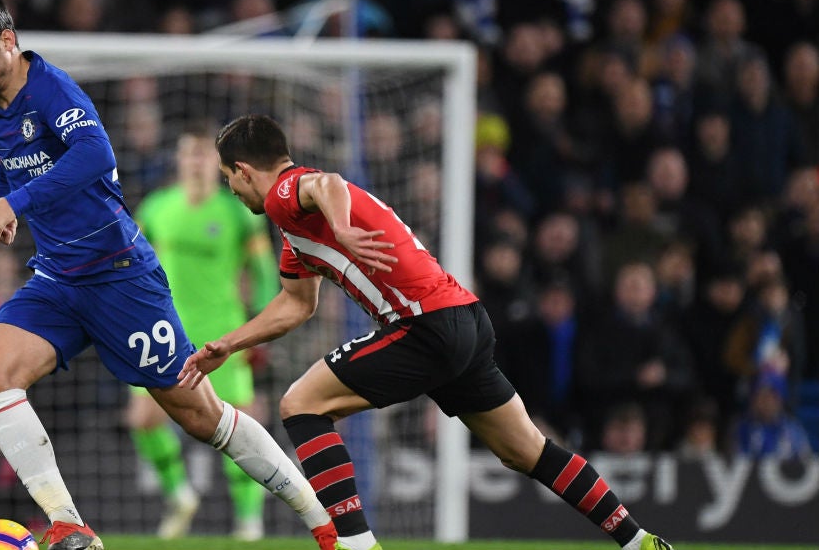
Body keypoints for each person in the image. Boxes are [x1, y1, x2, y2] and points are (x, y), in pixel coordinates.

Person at [0, 0, 339, 550]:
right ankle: (70, 527)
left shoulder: (53, 90)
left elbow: (95, 155)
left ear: (8, 41)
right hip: (57, 277)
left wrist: (15, 205)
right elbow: (15, 162)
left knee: (202, 418)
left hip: (119, 276)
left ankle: (321, 520)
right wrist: (6, 201)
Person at [180, 114, 674, 550]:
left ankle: (355, 544)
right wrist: (228, 344)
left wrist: (343, 224)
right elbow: (295, 306)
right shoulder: (296, 237)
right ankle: (639, 540)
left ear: (244, 171)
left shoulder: (289, 193)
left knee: (300, 404)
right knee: (526, 451)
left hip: (424, 325)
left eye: (229, 179)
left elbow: (324, 183)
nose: (232, 190)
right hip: (466, 322)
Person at [126, 121, 279, 540]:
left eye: (202, 156)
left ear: (216, 164)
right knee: (143, 419)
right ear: (179, 161)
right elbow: (134, 262)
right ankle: (179, 495)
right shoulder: (157, 207)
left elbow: (263, 272)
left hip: (222, 334)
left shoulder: (237, 212)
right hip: (165, 331)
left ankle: (249, 521)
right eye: (187, 155)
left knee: (240, 425)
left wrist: (259, 327)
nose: (194, 163)